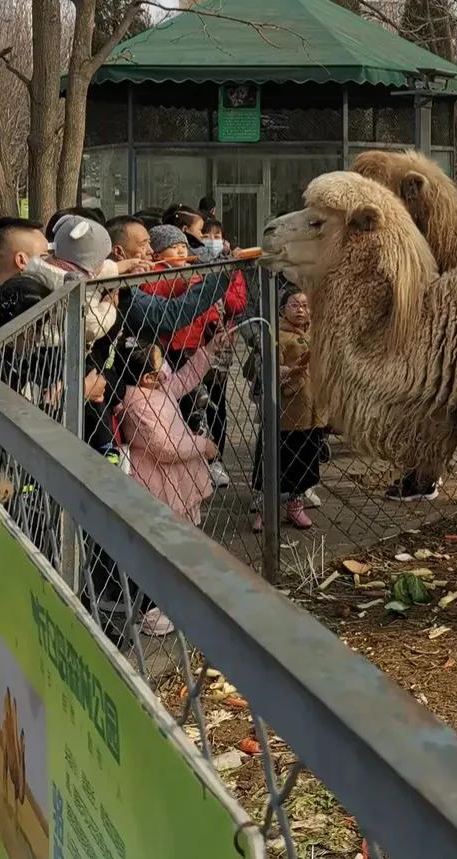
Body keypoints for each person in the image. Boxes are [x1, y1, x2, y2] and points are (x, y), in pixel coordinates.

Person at [115, 334, 230, 635]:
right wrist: (202, 444)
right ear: (146, 376)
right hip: (158, 480)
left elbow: (186, 377)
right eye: (159, 366)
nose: (167, 369)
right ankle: (154, 612)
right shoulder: (136, 402)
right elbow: (165, 447)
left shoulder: (159, 388)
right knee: (161, 545)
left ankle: (181, 596)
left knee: (182, 539)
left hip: (178, 479)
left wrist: (210, 349)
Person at [141, 224, 246, 490]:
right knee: (182, 405)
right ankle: (189, 452)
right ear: (157, 253)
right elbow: (165, 295)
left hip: (200, 345)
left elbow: (225, 304)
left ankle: (209, 457)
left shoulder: (195, 272)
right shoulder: (157, 275)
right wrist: (191, 282)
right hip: (172, 349)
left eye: (182, 247)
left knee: (209, 404)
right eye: (173, 247)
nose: (181, 251)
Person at [247, 290, 326, 532]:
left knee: (305, 460)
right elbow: (267, 370)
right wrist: (290, 372)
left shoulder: (317, 333)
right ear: (282, 309)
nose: (300, 309)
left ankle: (295, 505)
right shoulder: (275, 335)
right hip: (284, 413)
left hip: (313, 411)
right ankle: (264, 509)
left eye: (304, 304)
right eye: (294, 305)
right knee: (274, 461)